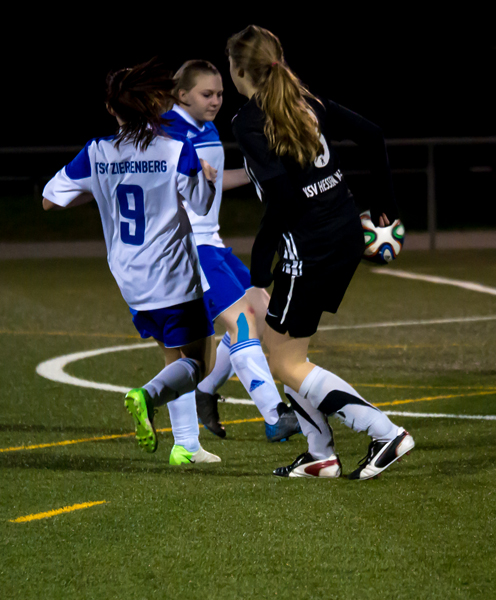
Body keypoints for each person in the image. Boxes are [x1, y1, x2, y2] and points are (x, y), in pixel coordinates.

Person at [226, 25, 414, 480]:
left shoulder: (249, 121)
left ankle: (383, 431)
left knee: (285, 362)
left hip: (307, 246)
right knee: (283, 351)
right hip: (344, 232)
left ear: (238, 71)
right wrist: (386, 203)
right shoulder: (305, 100)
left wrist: (260, 266)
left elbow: (283, 199)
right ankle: (320, 455)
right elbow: (373, 135)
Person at [42, 58, 221, 465]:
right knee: (199, 363)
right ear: (154, 106)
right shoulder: (176, 148)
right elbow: (201, 205)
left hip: (131, 280)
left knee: (173, 357)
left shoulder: (97, 151)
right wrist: (206, 178)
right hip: (173, 276)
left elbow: (50, 200)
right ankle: (147, 396)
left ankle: (187, 447)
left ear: (111, 109)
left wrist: (103, 189)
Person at [161, 59, 301, 443]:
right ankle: (275, 416)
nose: (216, 101)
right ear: (182, 94)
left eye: (220, 93)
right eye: (207, 94)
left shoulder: (202, 127)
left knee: (260, 311)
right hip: (188, 250)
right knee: (241, 322)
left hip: (213, 243)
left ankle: (205, 393)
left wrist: (265, 176)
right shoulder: (168, 134)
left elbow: (214, 182)